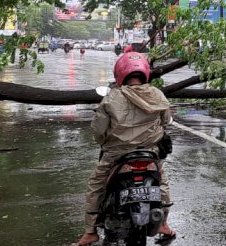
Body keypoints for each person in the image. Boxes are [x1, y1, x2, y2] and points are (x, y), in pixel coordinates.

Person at [74, 52, 176, 246]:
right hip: (149, 153)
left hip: (116, 155)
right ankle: (163, 224)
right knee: (161, 180)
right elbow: (165, 121)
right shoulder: (157, 95)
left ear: (119, 73)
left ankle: (90, 232)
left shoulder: (111, 98)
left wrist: (103, 140)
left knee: (96, 185)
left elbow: (98, 131)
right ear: (145, 72)